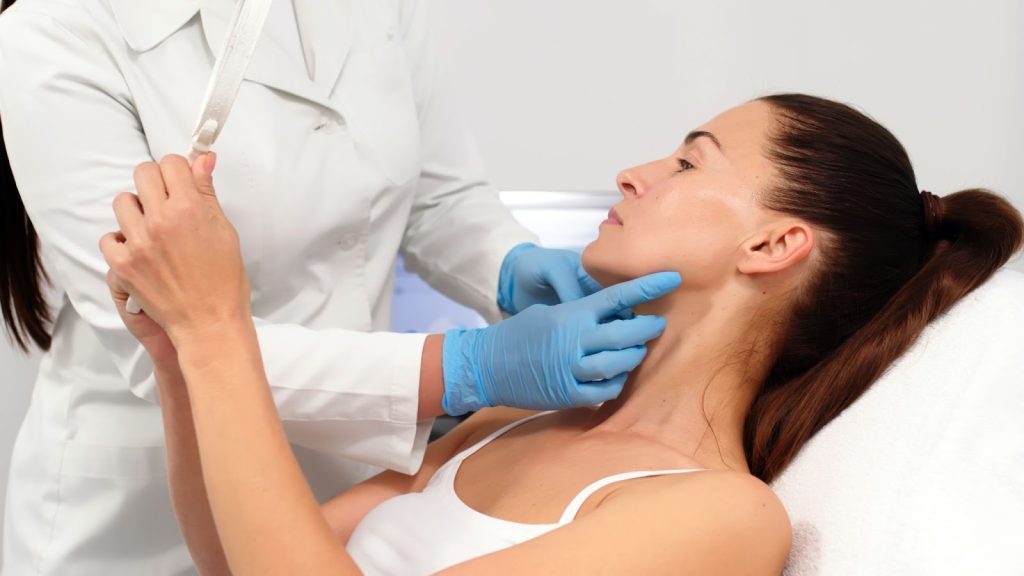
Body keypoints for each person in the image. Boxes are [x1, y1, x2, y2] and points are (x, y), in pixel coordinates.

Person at [102, 93, 1023, 574]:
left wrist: (221, 325)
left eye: (688, 159)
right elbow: (241, 560)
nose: (632, 173)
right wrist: (179, 358)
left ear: (775, 243)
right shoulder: (510, 417)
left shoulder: (722, 515)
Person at [0, 0, 677, 573]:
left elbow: (435, 195)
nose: (638, 177)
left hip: (344, 499)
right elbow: (166, 334)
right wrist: (468, 368)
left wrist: (504, 264)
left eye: (693, 163)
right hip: (136, 520)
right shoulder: (56, 31)